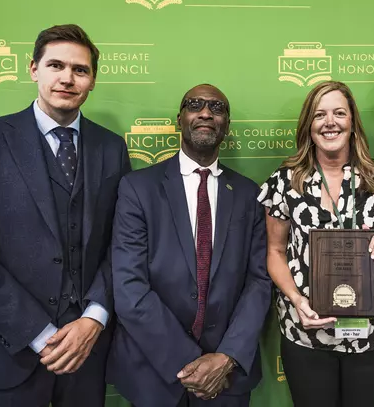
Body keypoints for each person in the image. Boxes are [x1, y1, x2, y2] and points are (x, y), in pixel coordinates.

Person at [0, 24, 131, 407]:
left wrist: (94, 317)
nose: (67, 78)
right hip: (5, 352)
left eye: (80, 70)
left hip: (87, 353)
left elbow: (123, 244)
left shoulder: (111, 147)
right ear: (33, 69)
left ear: (93, 80)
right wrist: (41, 333)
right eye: (55, 65)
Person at [107, 84, 272, 407]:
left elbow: (259, 282)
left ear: (227, 124)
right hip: (152, 372)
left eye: (217, 107)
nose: (206, 113)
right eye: (194, 105)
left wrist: (225, 357)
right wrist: (189, 362)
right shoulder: (137, 189)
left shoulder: (249, 194)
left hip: (227, 376)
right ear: (179, 118)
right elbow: (129, 286)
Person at [257, 80, 374, 407]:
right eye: (319, 115)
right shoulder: (283, 182)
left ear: (352, 122)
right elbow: (275, 252)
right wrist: (296, 299)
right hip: (306, 331)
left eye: (339, 113)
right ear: (308, 126)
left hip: (371, 331)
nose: (330, 122)